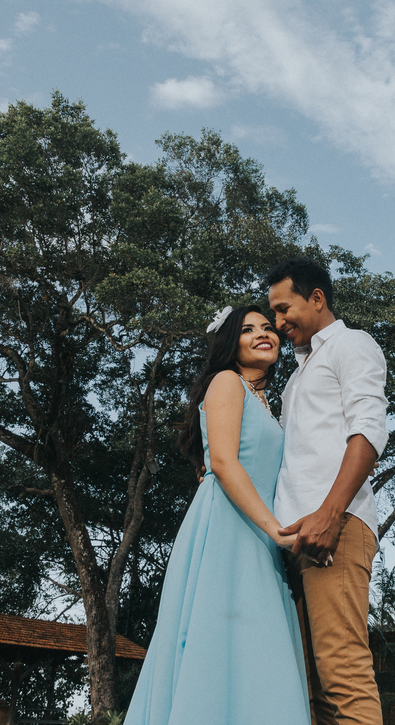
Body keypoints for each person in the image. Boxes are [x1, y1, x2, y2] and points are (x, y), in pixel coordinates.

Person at [123, 305, 310, 725]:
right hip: (229, 526)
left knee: (252, 645)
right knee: (216, 641)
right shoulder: (227, 382)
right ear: (230, 344)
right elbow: (224, 464)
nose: (264, 333)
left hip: (258, 530)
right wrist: (278, 533)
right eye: (248, 330)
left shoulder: (266, 401)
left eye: (268, 327)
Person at [267, 257, 388, 725]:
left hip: (335, 527)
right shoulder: (297, 376)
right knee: (309, 688)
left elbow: (369, 430)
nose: (278, 323)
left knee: (343, 673)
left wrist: (329, 514)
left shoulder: (351, 344)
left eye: (283, 308)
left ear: (316, 298)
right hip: (294, 539)